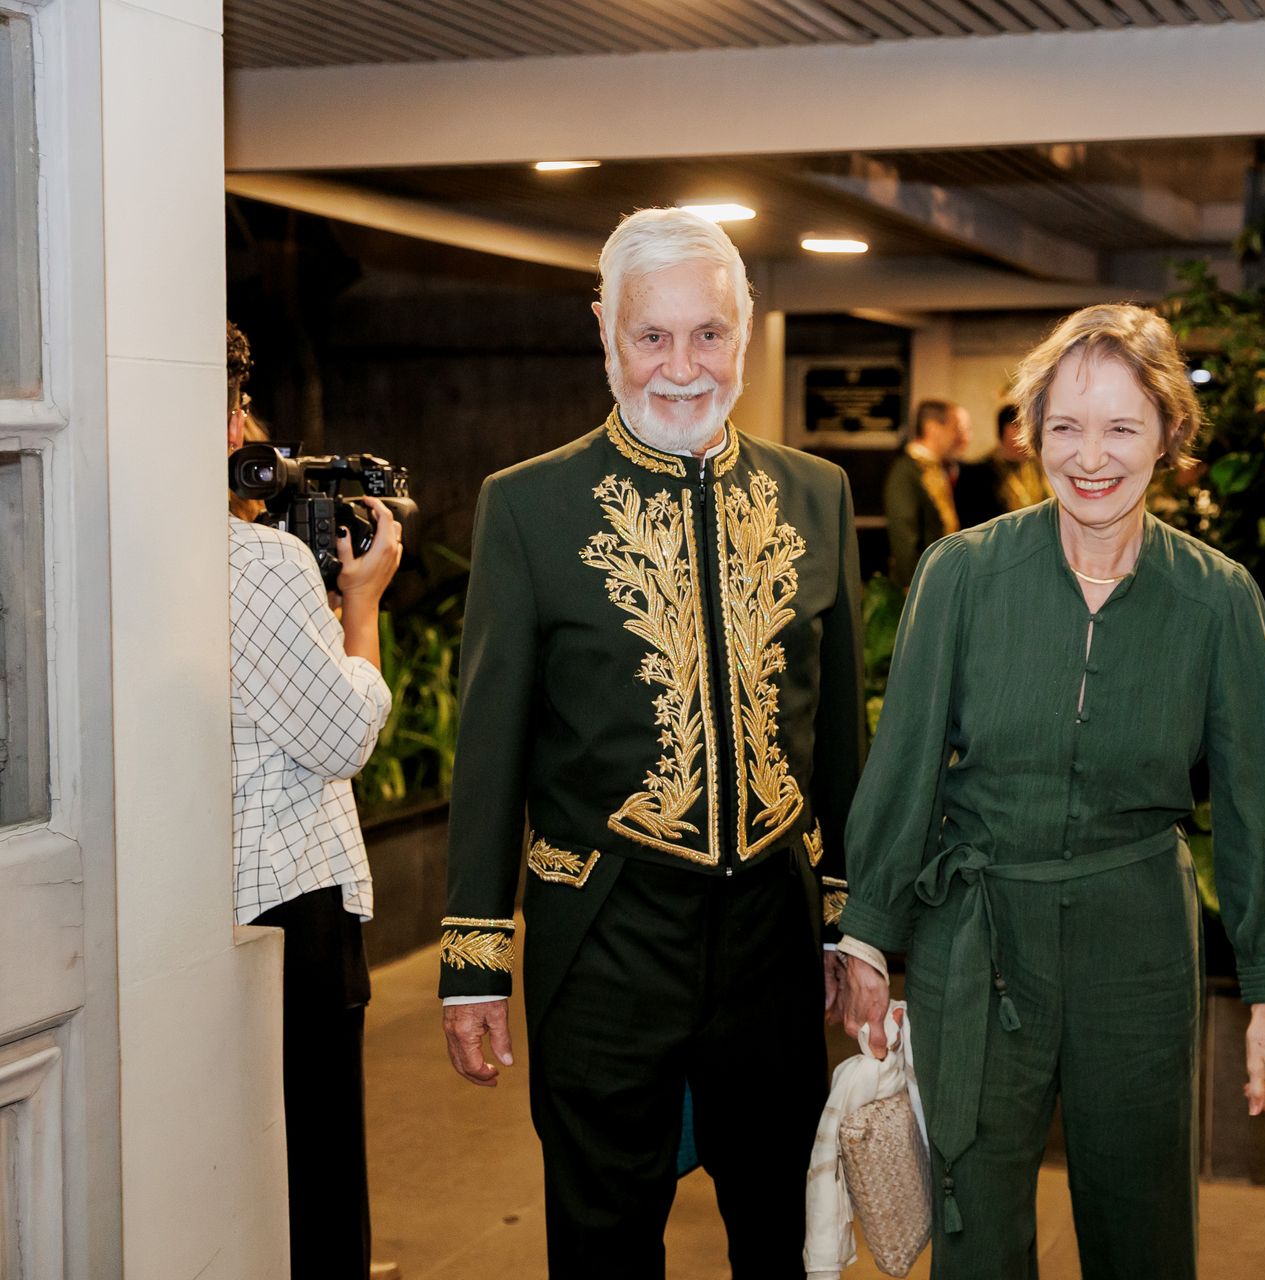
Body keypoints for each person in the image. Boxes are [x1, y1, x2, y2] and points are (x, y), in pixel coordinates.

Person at [836, 304, 1265, 1280]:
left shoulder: (1218, 598)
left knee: (1140, 1213)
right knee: (971, 1214)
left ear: (1169, 434)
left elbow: (1263, 799)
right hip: (979, 932)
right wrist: (869, 936)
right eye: (1066, 427)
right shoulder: (960, 573)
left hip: (1136, 939)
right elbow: (906, 759)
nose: (1091, 456)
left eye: (1122, 427)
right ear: (1032, 432)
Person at [436, 208, 865, 1280]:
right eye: (652, 336)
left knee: (784, 1228)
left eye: (708, 334)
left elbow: (840, 734)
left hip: (772, 932)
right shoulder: (527, 507)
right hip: (605, 932)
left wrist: (853, 923)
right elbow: (488, 747)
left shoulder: (819, 494)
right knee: (603, 1238)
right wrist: (473, 961)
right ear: (606, 330)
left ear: (747, 332)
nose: (682, 367)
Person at [226, 322, 404, 1280]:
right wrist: (363, 603)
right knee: (319, 1160)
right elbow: (344, 735)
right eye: (242, 407)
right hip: (296, 897)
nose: (254, 427)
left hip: (209, 896)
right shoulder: (261, 563)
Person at [884, 398, 970, 587]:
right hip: (921, 585)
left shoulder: (936, 468)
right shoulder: (906, 472)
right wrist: (916, 586)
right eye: (954, 428)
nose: (958, 437)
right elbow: (905, 539)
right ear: (933, 429)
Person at [953, 403, 1050, 527]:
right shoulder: (977, 473)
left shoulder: (1036, 467)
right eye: (1023, 427)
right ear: (1005, 430)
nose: (1032, 435)